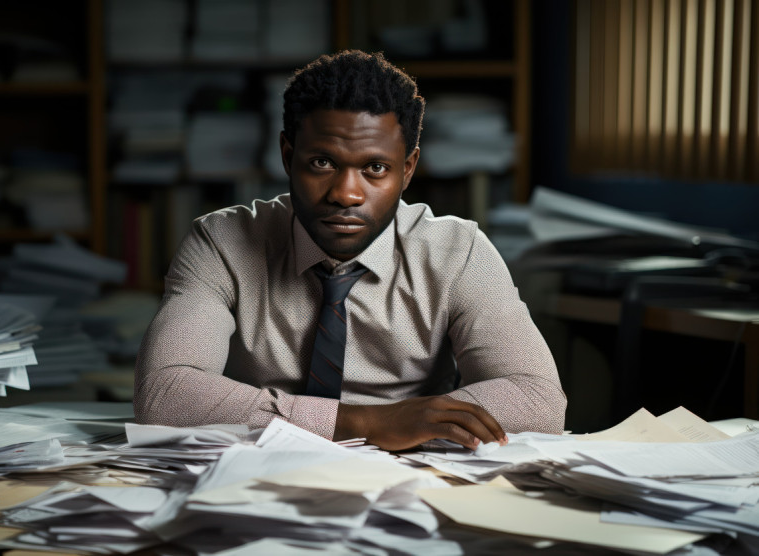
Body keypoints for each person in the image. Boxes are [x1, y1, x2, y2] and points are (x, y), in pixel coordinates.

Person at [134, 50, 566, 451]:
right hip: (260, 471)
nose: (345, 194)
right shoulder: (222, 243)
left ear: (408, 169)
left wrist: (422, 421)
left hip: (414, 477)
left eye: (375, 168)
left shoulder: (458, 251)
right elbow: (166, 394)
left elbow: (537, 397)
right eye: (322, 163)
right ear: (288, 156)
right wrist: (368, 424)